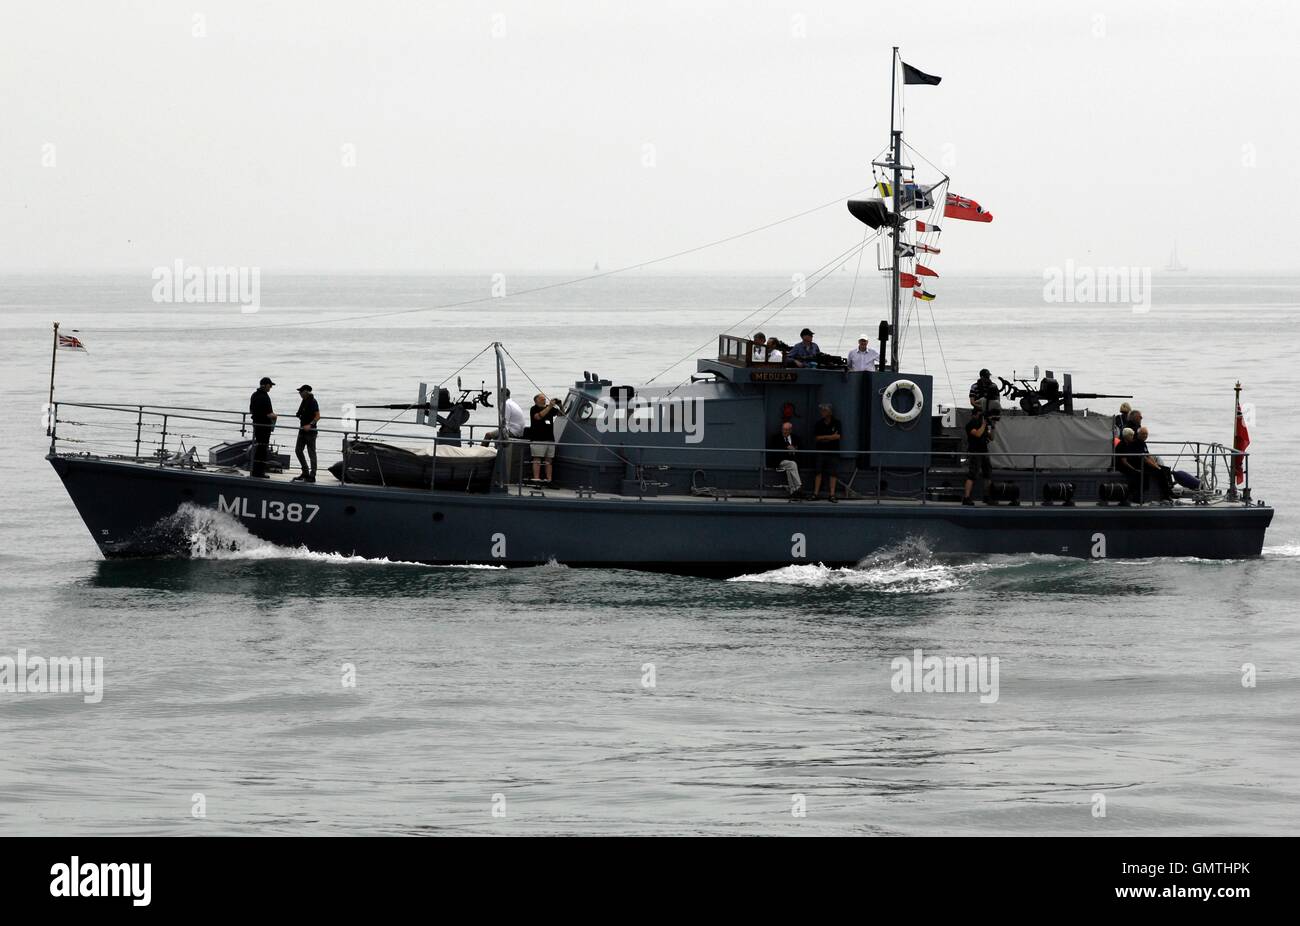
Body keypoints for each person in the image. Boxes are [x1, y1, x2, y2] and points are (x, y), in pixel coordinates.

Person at [528, 393, 563, 483]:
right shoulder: (534, 409)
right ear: (536, 401)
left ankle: (549, 480)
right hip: (538, 439)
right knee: (537, 460)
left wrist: (560, 405)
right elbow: (539, 417)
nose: (544, 400)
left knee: (549, 461)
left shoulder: (549, 408)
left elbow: (561, 414)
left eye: (544, 398)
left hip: (550, 439)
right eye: (541, 399)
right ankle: (536, 480)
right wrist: (550, 407)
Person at [248, 376, 277, 478]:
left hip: (256, 425)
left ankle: (255, 471)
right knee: (263, 448)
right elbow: (269, 414)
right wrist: (275, 416)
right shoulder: (265, 397)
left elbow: (251, 410)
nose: (271, 388)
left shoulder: (254, 395)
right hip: (264, 426)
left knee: (259, 447)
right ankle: (260, 472)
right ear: (265, 385)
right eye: (270, 385)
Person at [962, 407, 992, 505]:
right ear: (975, 414)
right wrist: (983, 425)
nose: (980, 417)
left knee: (987, 474)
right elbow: (978, 434)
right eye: (980, 415)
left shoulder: (982, 425)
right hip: (975, 452)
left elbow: (991, 438)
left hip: (984, 451)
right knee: (972, 474)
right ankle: (966, 497)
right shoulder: (971, 424)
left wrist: (991, 427)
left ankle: (987, 496)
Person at [812, 403, 842, 502]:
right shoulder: (818, 424)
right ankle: (815, 494)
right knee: (818, 472)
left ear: (829, 412)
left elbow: (837, 437)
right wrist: (830, 437)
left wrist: (824, 437)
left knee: (833, 473)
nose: (822, 413)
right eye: (821, 411)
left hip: (833, 452)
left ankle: (832, 495)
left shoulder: (837, 423)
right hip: (820, 451)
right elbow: (817, 438)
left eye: (824, 411)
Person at [1135, 426, 1173, 501]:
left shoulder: (1143, 443)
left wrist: (1156, 464)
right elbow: (1145, 459)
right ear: (1138, 434)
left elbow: (1148, 456)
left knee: (1166, 469)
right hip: (1140, 465)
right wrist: (1156, 467)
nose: (1145, 436)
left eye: (1146, 434)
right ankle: (1165, 495)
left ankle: (1170, 490)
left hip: (1146, 464)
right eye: (1143, 434)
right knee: (1160, 472)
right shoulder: (1137, 443)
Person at [291, 384, 320, 483]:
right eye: (299, 391)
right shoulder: (304, 401)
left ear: (306, 391)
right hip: (302, 430)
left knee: (311, 452)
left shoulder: (313, 401)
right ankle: (305, 471)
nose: (299, 393)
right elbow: (299, 414)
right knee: (298, 450)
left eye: (301, 391)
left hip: (311, 431)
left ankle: (313, 475)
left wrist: (310, 425)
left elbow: (318, 416)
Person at [766, 421, 802, 497]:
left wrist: (794, 450)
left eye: (786, 430)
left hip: (792, 461)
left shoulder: (796, 438)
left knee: (790, 469)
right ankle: (798, 486)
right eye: (783, 429)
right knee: (792, 464)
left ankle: (793, 492)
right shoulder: (776, 438)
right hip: (780, 461)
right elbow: (774, 452)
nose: (784, 431)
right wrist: (786, 449)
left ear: (790, 430)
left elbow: (802, 450)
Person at [1114, 427, 1142, 500]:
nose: (1133, 437)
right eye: (1131, 435)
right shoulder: (1122, 445)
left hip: (1125, 464)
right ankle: (1132, 495)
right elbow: (1124, 461)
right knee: (1134, 474)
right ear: (1126, 436)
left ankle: (1136, 494)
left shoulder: (1128, 444)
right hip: (1120, 466)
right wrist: (1134, 469)